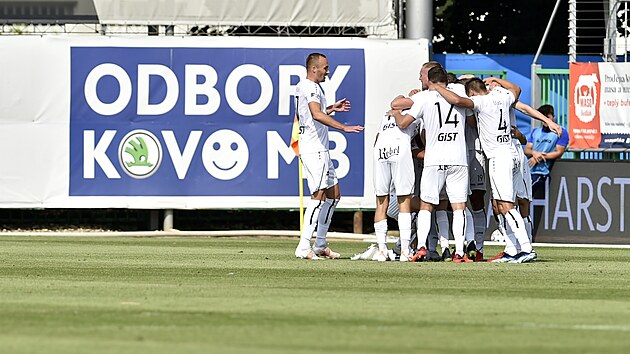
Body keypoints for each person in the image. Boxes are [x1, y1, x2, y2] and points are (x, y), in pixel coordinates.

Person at [432, 77, 536, 263]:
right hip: (511, 153)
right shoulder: (502, 95)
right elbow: (517, 89)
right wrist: (497, 79)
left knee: (505, 205)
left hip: (498, 158)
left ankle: (526, 248)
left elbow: (456, 100)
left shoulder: (480, 101)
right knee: (499, 204)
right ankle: (512, 249)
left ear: (472, 92)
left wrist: (437, 87)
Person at [390, 66, 472, 263]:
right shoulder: (459, 92)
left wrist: (395, 115)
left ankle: (421, 248)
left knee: (426, 205)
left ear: (430, 81)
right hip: (459, 159)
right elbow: (470, 117)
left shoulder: (424, 98)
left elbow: (404, 123)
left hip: (434, 159)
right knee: (459, 206)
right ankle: (459, 252)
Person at [293, 52, 364, 260]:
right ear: (314, 68)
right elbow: (315, 114)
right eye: (325, 67)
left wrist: (331, 108)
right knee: (318, 196)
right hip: (314, 148)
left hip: (319, 147)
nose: (328, 71)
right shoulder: (311, 87)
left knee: (334, 195)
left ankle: (320, 244)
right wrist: (344, 127)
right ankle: (304, 246)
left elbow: (310, 114)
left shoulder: (307, 87)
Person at [371, 106, 419, 261]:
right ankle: (405, 250)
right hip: (400, 149)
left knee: (380, 202)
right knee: (404, 200)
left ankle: (382, 251)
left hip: (380, 151)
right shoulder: (416, 113)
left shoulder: (386, 115)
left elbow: (376, 140)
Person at [525, 104, 569, 198]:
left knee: (525, 196)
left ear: (553, 117)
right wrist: (534, 153)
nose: (545, 120)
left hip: (541, 172)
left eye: (548, 117)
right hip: (528, 170)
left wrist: (539, 157)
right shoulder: (535, 131)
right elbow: (527, 149)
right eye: (543, 117)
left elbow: (559, 152)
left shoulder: (561, 132)